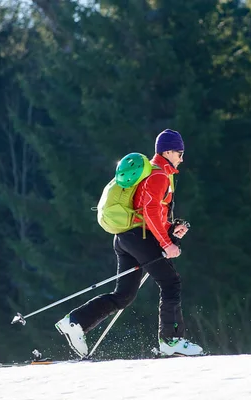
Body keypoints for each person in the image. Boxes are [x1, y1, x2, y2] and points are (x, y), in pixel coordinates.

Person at [55, 129, 203, 357]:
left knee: (124, 295)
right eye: (180, 152)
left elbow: (147, 213)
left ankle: (76, 322)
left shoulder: (154, 173)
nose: (182, 158)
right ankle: (172, 341)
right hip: (138, 238)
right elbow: (150, 211)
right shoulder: (159, 175)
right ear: (168, 151)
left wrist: (171, 229)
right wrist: (166, 243)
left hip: (126, 238)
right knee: (170, 282)